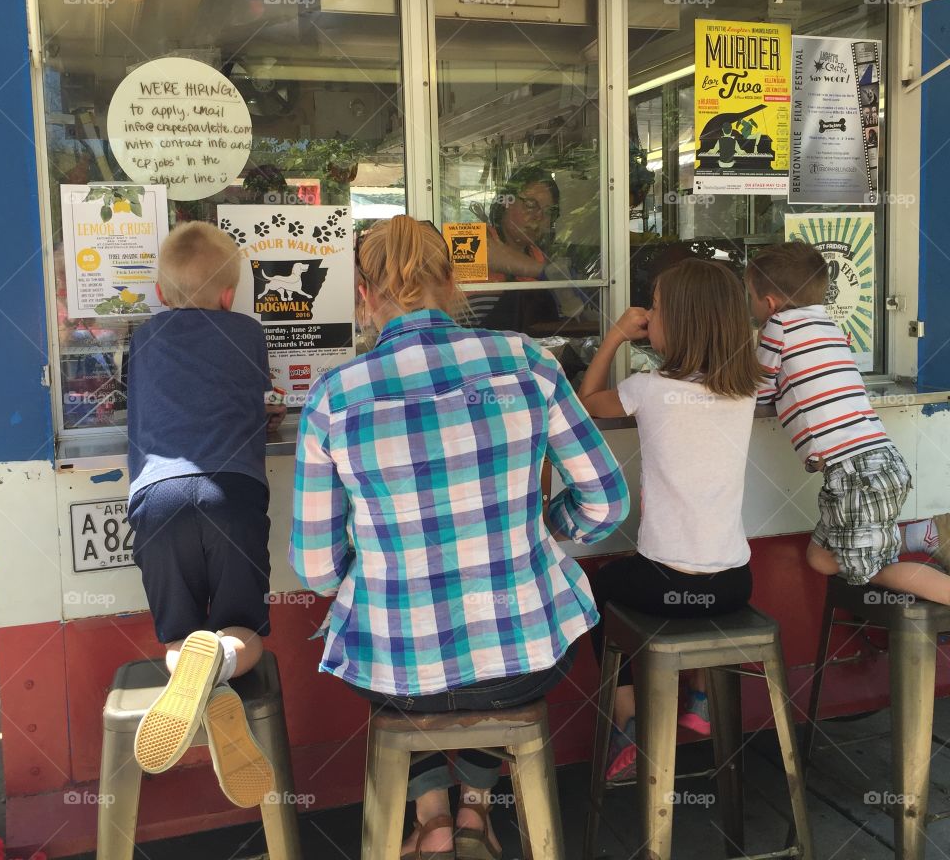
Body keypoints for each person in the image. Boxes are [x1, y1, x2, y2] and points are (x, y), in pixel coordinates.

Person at [290, 213, 630, 860]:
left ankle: (431, 816)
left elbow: (315, 567)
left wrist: (375, 565)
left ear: (364, 296)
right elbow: (606, 501)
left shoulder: (336, 398)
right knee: (492, 657)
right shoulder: (527, 363)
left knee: (394, 653)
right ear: (452, 282)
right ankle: (476, 810)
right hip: (527, 656)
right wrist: (544, 529)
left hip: (398, 672)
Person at [578, 258, 762, 781]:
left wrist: (614, 335)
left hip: (662, 585)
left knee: (598, 588)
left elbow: (589, 402)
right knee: (689, 590)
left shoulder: (649, 388)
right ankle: (701, 698)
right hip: (735, 584)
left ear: (675, 322)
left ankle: (629, 720)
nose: (646, 315)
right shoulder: (745, 388)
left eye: (654, 307)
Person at [126, 221, 285, 807]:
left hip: (158, 498)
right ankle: (219, 666)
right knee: (245, 633)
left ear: (162, 295)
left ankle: (193, 674)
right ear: (229, 296)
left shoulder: (141, 339)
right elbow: (244, 399)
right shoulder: (248, 332)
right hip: (232, 494)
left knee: (177, 636)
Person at [746, 241, 950, 602]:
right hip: (873, 464)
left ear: (770, 303)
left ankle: (931, 561)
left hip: (856, 473)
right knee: (822, 559)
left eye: (750, 296)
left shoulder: (777, 325)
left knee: (870, 571)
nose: (749, 305)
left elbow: (759, 392)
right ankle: (918, 535)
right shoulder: (828, 323)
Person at [468, 166, 561, 330]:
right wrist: (547, 272)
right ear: (506, 202)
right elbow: (489, 252)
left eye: (548, 211)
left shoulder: (537, 255)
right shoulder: (479, 236)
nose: (539, 217)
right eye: (531, 205)